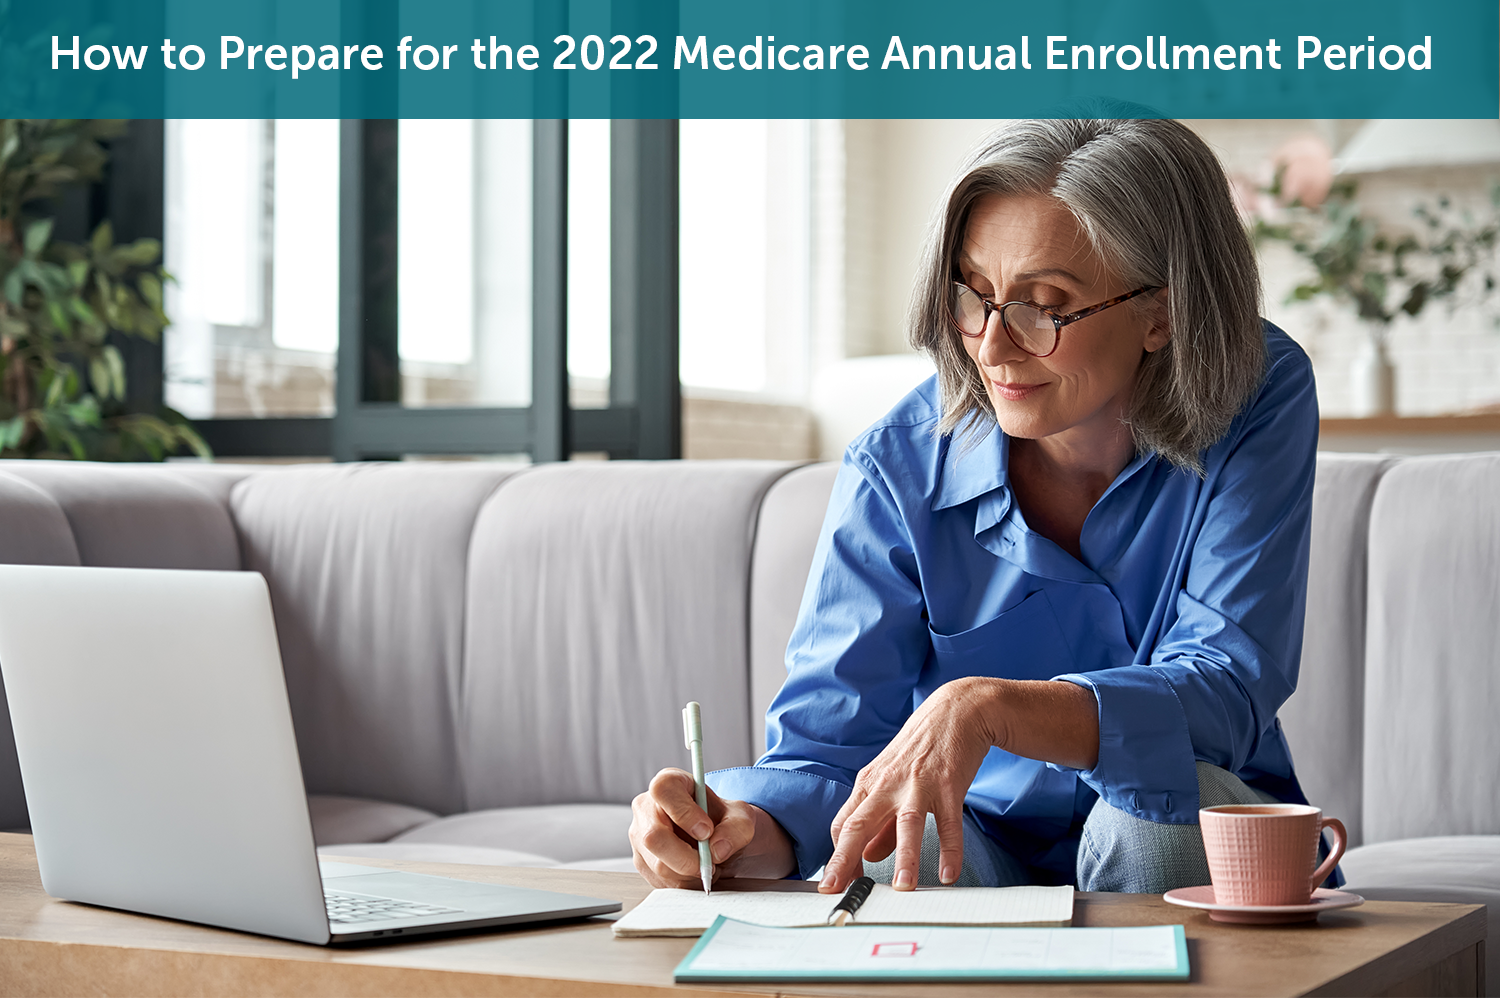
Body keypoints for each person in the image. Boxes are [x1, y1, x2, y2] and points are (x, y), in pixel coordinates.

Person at [630, 118, 1319, 896]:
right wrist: (741, 832)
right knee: (897, 838)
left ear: (1162, 313)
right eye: (973, 296)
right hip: (980, 838)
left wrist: (990, 707)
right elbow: (827, 752)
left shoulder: (1256, 394)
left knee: (1148, 814)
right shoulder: (896, 464)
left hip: (1184, 817)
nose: (990, 347)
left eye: (1043, 307)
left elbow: (1227, 685)